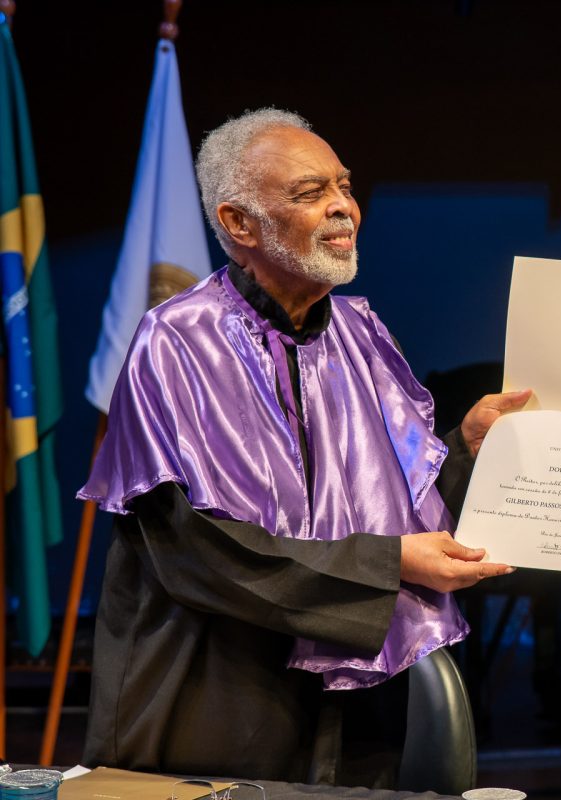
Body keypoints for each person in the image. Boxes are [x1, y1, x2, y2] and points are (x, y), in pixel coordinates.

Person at [78, 108, 530, 787]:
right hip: (221, 696)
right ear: (238, 224)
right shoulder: (178, 341)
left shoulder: (363, 334)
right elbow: (200, 550)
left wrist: (465, 453)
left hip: (358, 705)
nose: (344, 207)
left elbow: (397, 498)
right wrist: (390, 563)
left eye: (344, 186)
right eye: (310, 192)